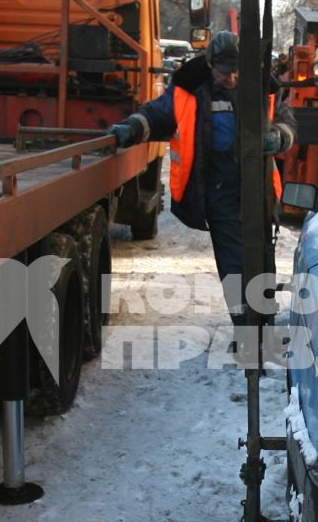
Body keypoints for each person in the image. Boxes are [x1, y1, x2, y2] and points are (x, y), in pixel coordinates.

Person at [108, 30, 295, 318]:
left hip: (259, 193)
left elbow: (286, 119)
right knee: (234, 270)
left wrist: (280, 137)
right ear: (210, 65)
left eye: (235, 72)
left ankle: (262, 330)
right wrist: (130, 128)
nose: (231, 79)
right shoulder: (190, 90)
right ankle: (245, 330)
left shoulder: (262, 88)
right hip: (220, 193)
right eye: (223, 74)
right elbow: (156, 115)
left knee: (262, 264)